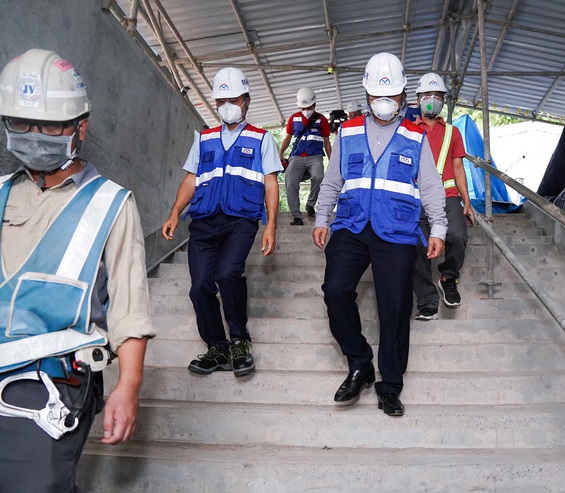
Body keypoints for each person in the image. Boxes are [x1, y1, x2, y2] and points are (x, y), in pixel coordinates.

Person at [0, 48, 155, 492]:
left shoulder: (111, 204)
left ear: (80, 127)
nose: (35, 135)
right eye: (21, 124)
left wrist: (130, 385)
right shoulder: (1, 193)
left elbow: (129, 308)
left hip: (52, 382)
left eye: (50, 125)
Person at [313, 53, 447, 417]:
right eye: (375, 97)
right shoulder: (348, 130)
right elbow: (332, 179)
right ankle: (359, 362)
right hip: (352, 225)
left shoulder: (416, 135)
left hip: (398, 230)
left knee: (394, 308)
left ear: (405, 96)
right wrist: (321, 217)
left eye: (390, 96)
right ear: (367, 95)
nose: (383, 103)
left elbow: (432, 186)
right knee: (335, 290)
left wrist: (438, 227)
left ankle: (390, 385)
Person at [162, 67, 281, 378]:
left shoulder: (262, 139)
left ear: (246, 101)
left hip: (241, 219)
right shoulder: (205, 138)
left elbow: (270, 182)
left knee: (228, 272)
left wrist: (271, 225)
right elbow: (191, 178)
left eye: (233, 99)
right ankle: (217, 347)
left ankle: (239, 341)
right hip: (203, 220)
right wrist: (175, 211)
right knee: (200, 285)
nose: (227, 105)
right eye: (221, 100)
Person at [412, 73, 476, 321]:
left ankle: (448, 278)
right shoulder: (408, 131)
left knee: (458, 235)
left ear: (444, 101)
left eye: (437, 96)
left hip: (448, 197)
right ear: (418, 99)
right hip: (417, 198)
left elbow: (458, 167)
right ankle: (427, 301)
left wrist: (466, 200)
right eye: (427, 95)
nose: (432, 100)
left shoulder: (452, 132)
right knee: (416, 245)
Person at [278, 87, 331, 225]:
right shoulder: (293, 118)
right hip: (296, 156)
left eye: (308, 107)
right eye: (303, 107)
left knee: (319, 176)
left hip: (315, 156)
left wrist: (332, 161)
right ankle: (296, 216)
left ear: (314, 104)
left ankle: (310, 204)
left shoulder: (322, 120)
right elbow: (288, 138)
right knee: (290, 179)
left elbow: (327, 142)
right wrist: (280, 153)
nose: (306, 110)